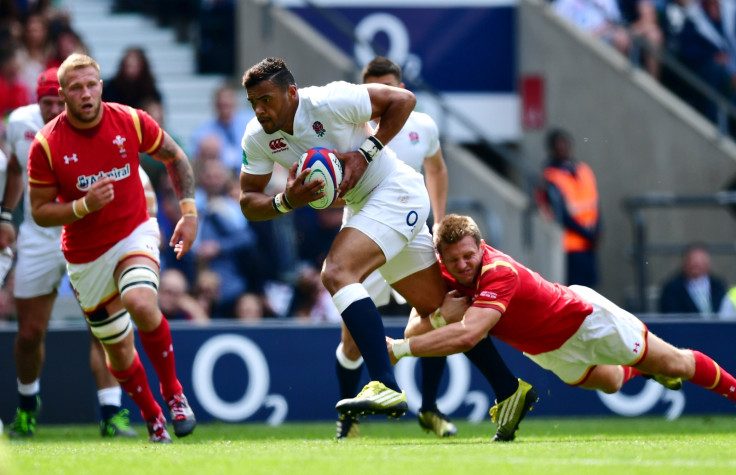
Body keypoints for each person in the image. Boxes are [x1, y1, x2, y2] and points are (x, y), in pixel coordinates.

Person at [239, 57, 533, 442]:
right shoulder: (257, 137)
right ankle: (509, 389)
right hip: (366, 207)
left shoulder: (329, 100)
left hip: (396, 191)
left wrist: (365, 153)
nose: (260, 109)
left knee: (336, 271)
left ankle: (384, 383)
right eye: (253, 102)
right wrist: (286, 202)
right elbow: (247, 198)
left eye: (266, 99)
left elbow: (404, 100)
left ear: (291, 92)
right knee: (438, 308)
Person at [387, 214, 736, 440]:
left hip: (585, 321)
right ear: (441, 259)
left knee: (676, 363)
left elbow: (467, 334)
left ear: (481, 247)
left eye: (468, 255)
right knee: (612, 382)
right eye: (454, 260)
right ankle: (642, 370)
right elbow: (414, 331)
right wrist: (436, 317)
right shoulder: (445, 274)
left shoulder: (499, 272)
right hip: (547, 349)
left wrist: (400, 352)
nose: (463, 265)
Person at [26, 54, 198, 443]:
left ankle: (173, 395)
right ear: (63, 94)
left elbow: (175, 156)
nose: (85, 94)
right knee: (118, 351)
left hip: (134, 232)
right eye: (76, 88)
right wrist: (83, 205)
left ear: (101, 86)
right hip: (86, 257)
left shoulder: (130, 120)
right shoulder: (47, 145)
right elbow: (39, 212)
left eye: (91, 85)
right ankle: (152, 416)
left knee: (140, 302)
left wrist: (188, 211)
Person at [3, 67, 151, 438]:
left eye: (59, 100)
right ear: (37, 101)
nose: (53, 108)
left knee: (105, 330)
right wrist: (6, 214)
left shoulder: (96, 125)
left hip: (91, 236)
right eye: (46, 102)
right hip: (39, 237)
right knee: (29, 333)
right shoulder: (20, 123)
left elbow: (131, 174)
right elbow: (16, 171)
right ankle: (26, 406)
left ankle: (111, 412)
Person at [331, 57, 456, 440]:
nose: (384, 99)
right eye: (376, 92)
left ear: (402, 90)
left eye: (391, 90)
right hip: (366, 233)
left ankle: (430, 409)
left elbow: (435, 167)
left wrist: (438, 220)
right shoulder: (352, 127)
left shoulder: (422, 126)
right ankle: (347, 420)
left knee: (438, 311)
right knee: (352, 343)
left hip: (410, 224)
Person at [539, 128, 601, 288]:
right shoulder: (550, 176)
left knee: (592, 290)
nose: (562, 149)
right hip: (571, 244)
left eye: (564, 144)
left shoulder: (583, 170)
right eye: (558, 145)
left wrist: (598, 230)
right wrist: (587, 234)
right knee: (577, 291)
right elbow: (561, 214)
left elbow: (595, 203)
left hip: (590, 242)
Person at [189, 82, 254, 174]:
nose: (225, 109)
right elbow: (196, 161)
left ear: (235, 103)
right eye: (222, 105)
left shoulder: (252, 122)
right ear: (215, 106)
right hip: (221, 177)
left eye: (228, 105)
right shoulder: (203, 131)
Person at [658, 243, 727, 315]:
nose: (696, 265)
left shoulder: (718, 286)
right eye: (692, 261)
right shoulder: (672, 288)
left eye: (700, 262)